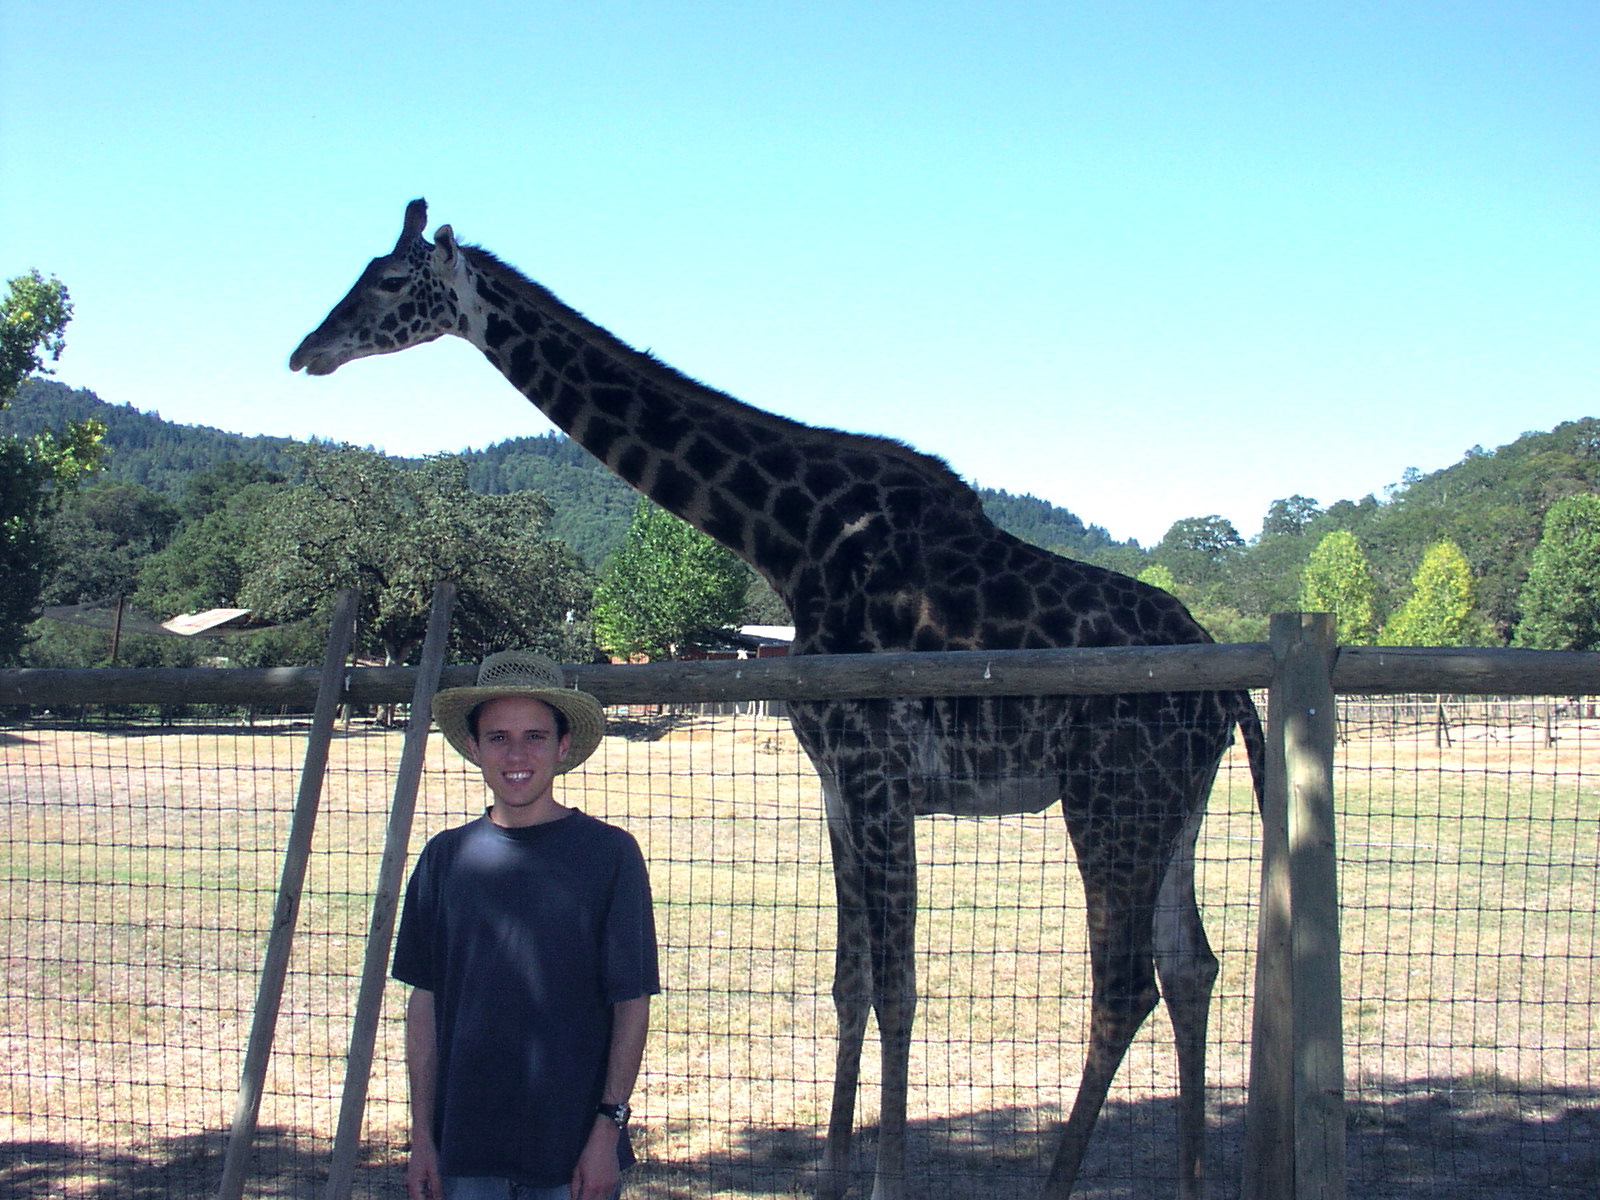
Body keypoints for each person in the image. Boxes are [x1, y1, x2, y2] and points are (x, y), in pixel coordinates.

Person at [392, 650, 660, 1200]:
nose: (517, 754)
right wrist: (422, 1136)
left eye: (535, 736)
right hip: (465, 1147)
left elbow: (631, 1002)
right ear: (473, 747)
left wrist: (608, 1127)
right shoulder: (444, 859)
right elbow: (424, 1002)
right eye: (498, 737)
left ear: (563, 747)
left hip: (571, 1150)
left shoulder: (610, 856)